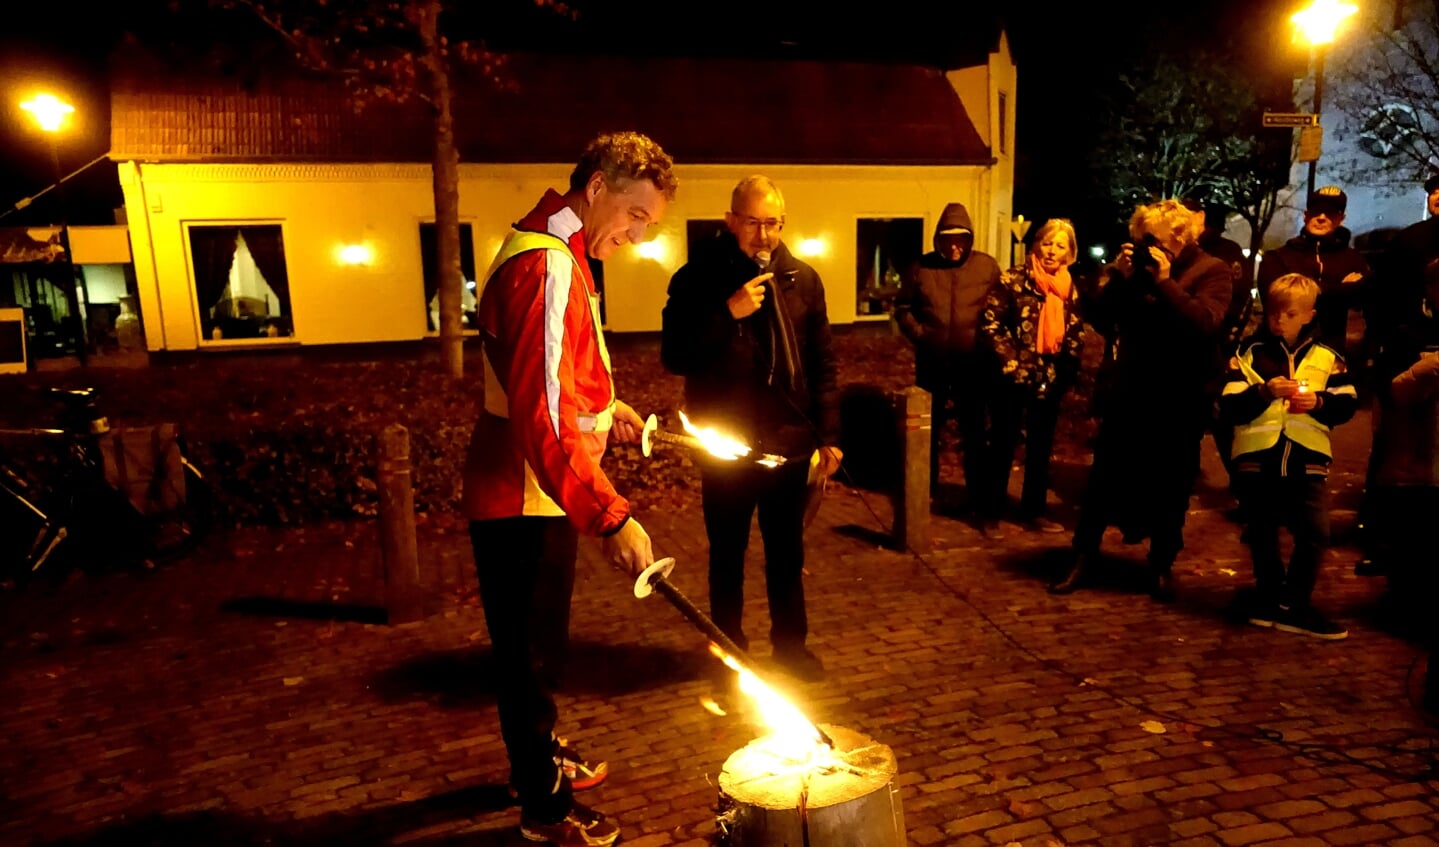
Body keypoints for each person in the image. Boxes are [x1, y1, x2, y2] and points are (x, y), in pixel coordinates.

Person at [460, 131, 677, 847]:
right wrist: (610, 515)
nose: (639, 233)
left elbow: (554, 381)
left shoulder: (554, 250)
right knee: (526, 651)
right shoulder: (547, 264)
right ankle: (544, 808)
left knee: (538, 644)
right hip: (523, 490)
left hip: (536, 486)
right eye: (637, 215)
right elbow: (540, 413)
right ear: (597, 188)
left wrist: (603, 405)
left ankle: (540, 758)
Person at [660, 175, 841, 683]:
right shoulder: (697, 279)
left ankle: (791, 648)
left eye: (774, 224)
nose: (764, 236)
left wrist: (829, 434)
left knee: (786, 553)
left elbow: (822, 361)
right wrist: (727, 313)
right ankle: (729, 650)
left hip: (788, 442)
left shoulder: (801, 279)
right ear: (731, 220)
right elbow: (675, 355)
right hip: (728, 446)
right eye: (754, 223)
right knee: (727, 554)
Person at [1051, 199, 1232, 600]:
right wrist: (1117, 273)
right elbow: (1099, 316)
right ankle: (1082, 556)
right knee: (1103, 482)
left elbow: (1206, 324)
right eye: (1141, 239)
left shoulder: (1212, 271)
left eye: (1155, 239)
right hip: (1131, 392)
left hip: (1179, 398)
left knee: (1172, 485)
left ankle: (1161, 564)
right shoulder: (1137, 273)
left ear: (1180, 237)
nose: (1148, 246)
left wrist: (1165, 282)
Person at [1219, 273, 1358, 639]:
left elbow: (1347, 404)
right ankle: (1269, 598)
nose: (1279, 320)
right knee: (1262, 531)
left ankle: (1295, 603)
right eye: (1274, 313)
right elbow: (1229, 406)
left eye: (1290, 314)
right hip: (1258, 458)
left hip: (1307, 458)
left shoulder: (1329, 357)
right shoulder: (1248, 354)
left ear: (1309, 315)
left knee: (1314, 533)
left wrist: (1318, 402)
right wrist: (1264, 392)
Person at [894, 203, 1005, 536]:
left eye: (961, 239)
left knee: (974, 433)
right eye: (947, 239)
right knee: (929, 431)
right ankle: (924, 493)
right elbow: (903, 307)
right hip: (933, 362)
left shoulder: (986, 267)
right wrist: (922, 335)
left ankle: (979, 502)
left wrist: (990, 341)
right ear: (938, 240)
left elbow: (999, 308)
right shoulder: (921, 268)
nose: (954, 246)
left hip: (974, 364)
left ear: (969, 238)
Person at [978, 218, 1085, 533]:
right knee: (1002, 443)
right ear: (1036, 245)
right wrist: (1011, 362)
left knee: (1041, 447)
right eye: (1047, 243)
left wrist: (1069, 366)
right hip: (1012, 377)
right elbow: (991, 323)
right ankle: (990, 511)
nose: (1052, 251)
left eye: (1060, 246)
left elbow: (1076, 328)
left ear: (1069, 253)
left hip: (1050, 376)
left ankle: (1033, 510)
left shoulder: (1068, 286)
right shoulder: (1012, 279)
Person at [1256, 186, 1370, 356]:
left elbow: (1365, 296)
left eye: (1330, 213)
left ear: (1341, 218)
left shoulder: (1352, 258)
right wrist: (1342, 290)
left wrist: (1305, 291)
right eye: (1317, 211)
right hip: (1279, 351)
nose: (1322, 218)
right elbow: (1279, 299)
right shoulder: (1277, 257)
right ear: (1305, 215)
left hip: (1331, 351)